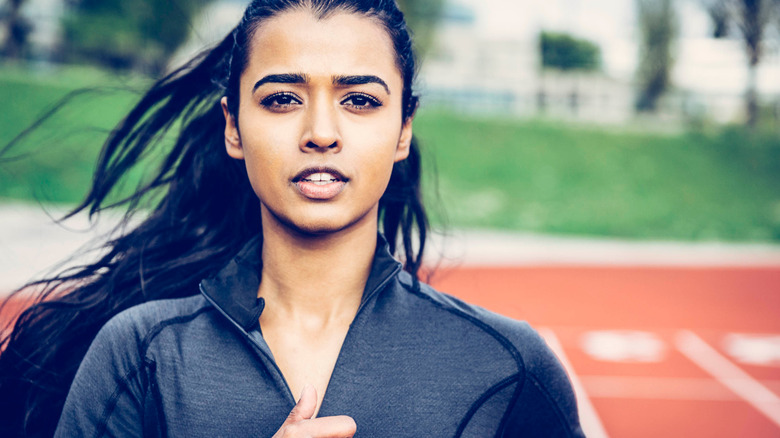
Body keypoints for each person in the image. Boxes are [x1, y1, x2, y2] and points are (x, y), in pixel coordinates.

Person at [0, 1, 584, 437]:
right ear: (233, 126)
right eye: (282, 98)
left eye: (360, 100)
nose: (321, 132)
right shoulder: (140, 352)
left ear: (403, 129)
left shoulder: (509, 366)